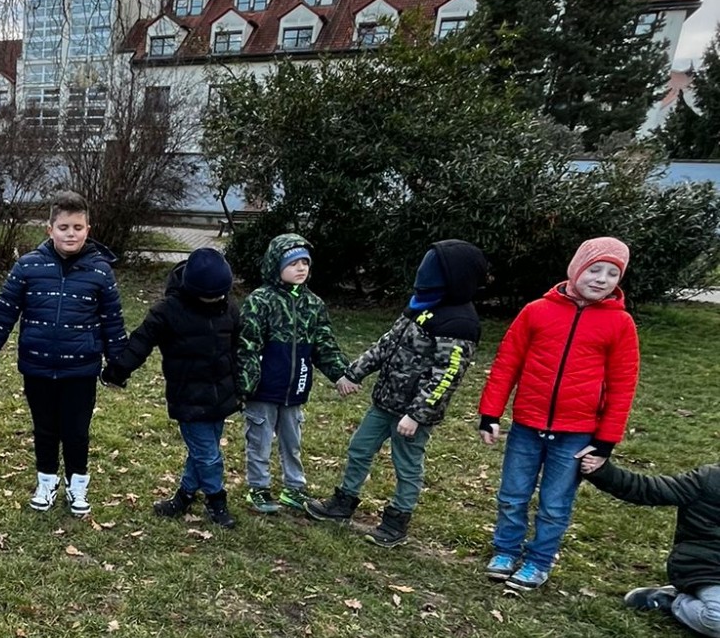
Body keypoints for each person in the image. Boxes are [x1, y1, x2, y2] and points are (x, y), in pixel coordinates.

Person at [478, 237, 640, 593]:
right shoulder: (537, 311)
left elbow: (623, 385)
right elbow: (507, 363)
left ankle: (538, 561)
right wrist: (490, 412)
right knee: (513, 494)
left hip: (577, 433)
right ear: (577, 268)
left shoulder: (620, 324)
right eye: (595, 269)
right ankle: (506, 550)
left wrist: (605, 442)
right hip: (527, 425)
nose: (601, 279)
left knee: (555, 503)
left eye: (612, 273)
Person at [308, 240, 489, 546]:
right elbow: (386, 345)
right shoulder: (420, 305)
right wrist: (354, 372)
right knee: (359, 448)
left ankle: (397, 521)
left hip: (411, 416)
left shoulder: (460, 323)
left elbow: (446, 378)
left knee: (406, 465)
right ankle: (343, 502)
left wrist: (416, 415)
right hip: (384, 402)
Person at [0, 190, 127, 516]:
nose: (70, 234)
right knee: (45, 429)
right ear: (50, 229)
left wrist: (118, 365)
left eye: (77, 227)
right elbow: (3, 315)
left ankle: (78, 485)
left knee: (76, 431)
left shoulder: (100, 271)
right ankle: (46, 482)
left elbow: (113, 321)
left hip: (80, 369)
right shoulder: (27, 266)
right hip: (37, 366)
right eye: (63, 227)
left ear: (88, 229)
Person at [102, 245, 243, 527]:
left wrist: (244, 384)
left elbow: (239, 348)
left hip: (222, 396)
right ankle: (216, 501)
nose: (217, 300)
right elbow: (141, 342)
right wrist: (117, 371)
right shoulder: (168, 311)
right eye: (211, 296)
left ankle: (184, 496)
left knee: (202, 452)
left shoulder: (228, 308)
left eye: (221, 294)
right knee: (208, 455)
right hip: (188, 397)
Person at [236, 233, 357, 514]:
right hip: (263, 390)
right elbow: (246, 345)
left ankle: (294, 487)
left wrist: (341, 374)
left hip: (295, 389)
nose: (301, 268)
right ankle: (258, 487)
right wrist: (245, 385)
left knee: (292, 442)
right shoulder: (260, 301)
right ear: (275, 266)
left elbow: (324, 344)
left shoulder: (313, 304)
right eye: (293, 263)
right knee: (260, 441)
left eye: (305, 263)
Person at [579, 446, 720, 638]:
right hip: (708, 570)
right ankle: (672, 601)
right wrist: (603, 471)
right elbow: (649, 489)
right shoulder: (709, 480)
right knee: (715, 619)